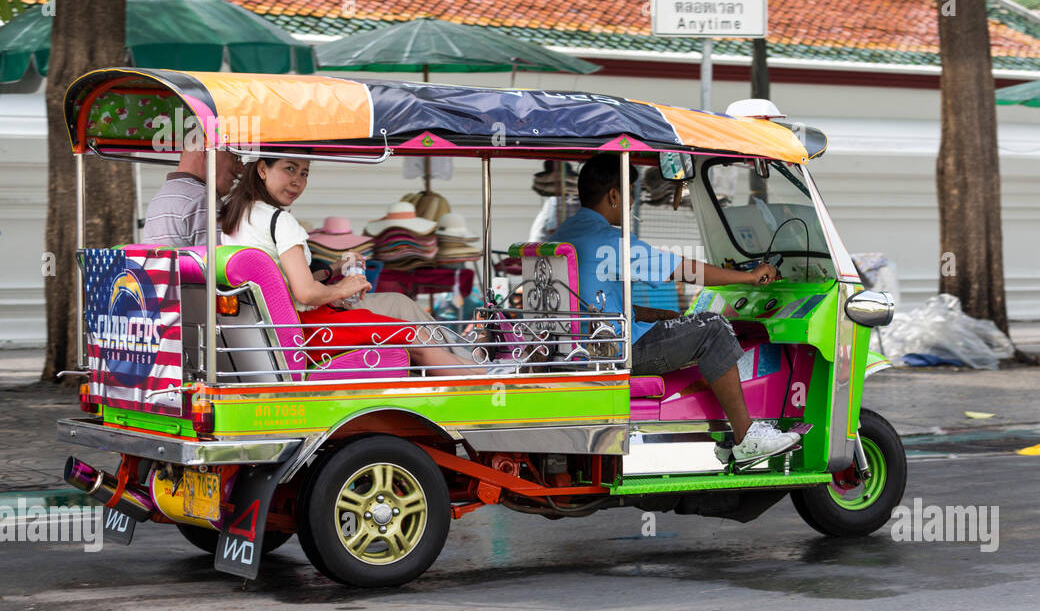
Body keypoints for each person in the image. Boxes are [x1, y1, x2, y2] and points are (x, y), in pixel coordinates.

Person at [550, 153, 800, 464]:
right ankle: (745, 435)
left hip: (582, 347)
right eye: (629, 195)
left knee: (691, 330)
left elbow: (588, 300)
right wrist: (748, 276)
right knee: (714, 328)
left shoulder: (564, 234)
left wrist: (647, 313)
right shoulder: (607, 241)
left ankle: (723, 437)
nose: (629, 205)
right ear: (614, 195)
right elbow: (682, 269)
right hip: (618, 350)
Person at [218, 156, 489, 373]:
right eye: (290, 169)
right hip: (304, 329)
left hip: (272, 330)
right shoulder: (281, 221)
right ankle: (484, 376)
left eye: (304, 173)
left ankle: (474, 365)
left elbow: (282, 282)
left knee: (403, 315)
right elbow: (306, 294)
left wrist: (331, 272)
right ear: (263, 169)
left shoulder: (237, 217)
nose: (297, 181)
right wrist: (343, 288)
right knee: (413, 336)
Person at [142, 146, 239, 247]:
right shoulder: (202, 200)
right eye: (235, 157)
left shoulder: (159, 198)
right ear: (207, 151)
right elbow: (221, 259)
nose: (241, 168)